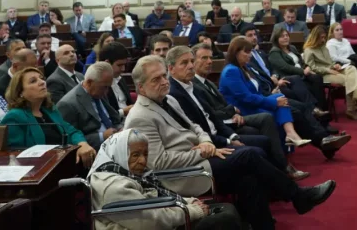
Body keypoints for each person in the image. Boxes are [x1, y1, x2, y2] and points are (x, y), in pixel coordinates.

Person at [124, 55, 336, 230]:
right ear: (141, 88)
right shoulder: (140, 117)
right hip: (183, 174)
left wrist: (206, 143)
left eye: (163, 76)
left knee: (249, 177)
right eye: (156, 79)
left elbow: (196, 127)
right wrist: (203, 152)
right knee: (250, 155)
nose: (164, 81)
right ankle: (298, 196)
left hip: (202, 158)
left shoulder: (168, 99)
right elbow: (159, 163)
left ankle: (265, 224)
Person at [87, 129, 241, 230]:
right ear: (119, 154)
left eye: (145, 154)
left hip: (160, 217)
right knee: (225, 219)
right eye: (135, 155)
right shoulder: (113, 186)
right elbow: (150, 221)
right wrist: (191, 211)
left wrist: (188, 201)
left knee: (226, 211)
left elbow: (156, 196)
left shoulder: (126, 172)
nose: (142, 161)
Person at [190, 43, 303, 178]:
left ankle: (281, 165)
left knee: (281, 105)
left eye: (210, 58)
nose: (209, 62)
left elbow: (223, 104)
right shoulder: (197, 84)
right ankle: (282, 167)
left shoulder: (207, 82)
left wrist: (232, 112)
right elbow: (212, 113)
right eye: (204, 58)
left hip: (233, 117)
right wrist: (232, 112)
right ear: (193, 62)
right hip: (224, 125)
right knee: (268, 116)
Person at [165, 47, 283, 171]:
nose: (190, 66)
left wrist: (232, 137)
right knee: (256, 149)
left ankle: (281, 172)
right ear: (171, 69)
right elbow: (198, 129)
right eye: (184, 63)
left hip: (221, 129)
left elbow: (213, 117)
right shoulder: (174, 94)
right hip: (208, 143)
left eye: (191, 61)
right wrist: (228, 141)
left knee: (264, 140)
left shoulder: (193, 86)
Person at [218, 38, 311, 148]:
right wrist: (273, 102)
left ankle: (290, 135)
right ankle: (289, 137)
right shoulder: (231, 71)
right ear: (236, 52)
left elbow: (256, 92)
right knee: (279, 105)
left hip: (253, 104)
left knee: (281, 97)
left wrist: (274, 99)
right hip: (243, 109)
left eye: (250, 52)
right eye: (246, 52)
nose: (250, 55)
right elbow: (246, 98)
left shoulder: (244, 67)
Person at [2, 66, 95, 165]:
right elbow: (14, 154)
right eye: (33, 81)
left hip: (62, 163)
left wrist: (82, 144)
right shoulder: (14, 117)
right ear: (20, 92)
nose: (42, 82)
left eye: (42, 79)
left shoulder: (50, 110)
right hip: (39, 170)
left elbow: (71, 131)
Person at [303, 25, 357, 120]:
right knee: (347, 79)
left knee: (351, 68)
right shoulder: (309, 50)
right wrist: (328, 69)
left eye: (324, 37)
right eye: (321, 37)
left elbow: (330, 62)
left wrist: (335, 65)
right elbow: (311, 67)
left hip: (332, 70)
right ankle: (352, 108)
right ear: (315, 37)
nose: (323, 40)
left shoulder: (324, 47)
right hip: (322, 75)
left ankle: (354, 100)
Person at [57, 62, 123, 150]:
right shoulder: (67, 104)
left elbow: (114, 119)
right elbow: (70, 139)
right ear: (89, 82)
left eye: (108, 87)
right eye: (104, 87)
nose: (106, 91)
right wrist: (101, 136)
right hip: (96, 150)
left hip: (115, 139)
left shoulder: (99, 91)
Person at [267, 27, 327, 109]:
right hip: (290, 77)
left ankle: (322, 107)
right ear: (276, 39)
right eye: (282, 36)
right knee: (309, 83)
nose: (285, 37)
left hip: (301, 73)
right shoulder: (274, 52)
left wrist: (307, 67)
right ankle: (314, 108)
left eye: (286, 35)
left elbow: (301, 61)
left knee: (317, 78)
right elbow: (286, 67)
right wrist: (303, 71)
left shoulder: (292, 48)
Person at [100, 42, 135, 117]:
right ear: (107, 63)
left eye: (124, 65)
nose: (123, 69)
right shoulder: (99, 85)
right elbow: (103, 116)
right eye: (119, 65)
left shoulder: (120, 79)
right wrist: (123, 112)